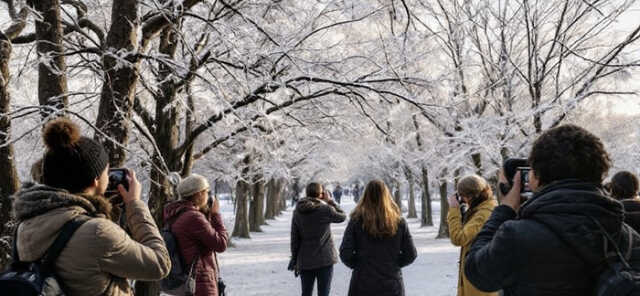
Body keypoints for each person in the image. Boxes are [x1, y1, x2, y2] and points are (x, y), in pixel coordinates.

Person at [464, 124, 640, 295]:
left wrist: (505, 209)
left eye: (531, 171)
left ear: (538, 177)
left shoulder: (517, 236)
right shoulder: (628, 236)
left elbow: (476, 271)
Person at [12, 118, 170, 295]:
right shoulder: (97, 231)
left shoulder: (25, 225)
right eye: (106, 171)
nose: (109, 177)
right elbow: (159, 264)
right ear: (95, 179)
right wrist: (135, 205)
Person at [340, 180, 417, 296]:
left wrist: (360, 264)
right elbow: (411, 254)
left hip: (362, 283)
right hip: (391, 284)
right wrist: (393, 264)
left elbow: (345, 253)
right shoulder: (399, 222)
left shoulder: (356, 221)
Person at [163, 174, 229, 296]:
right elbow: (221, 244)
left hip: (187, 281)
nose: (208, 195)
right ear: (198, 193)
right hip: (200, 282)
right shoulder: (194, 218)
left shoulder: (176, 214)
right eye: (206, 191)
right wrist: (215, 215)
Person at [290, 182, 346, 296]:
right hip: (325, 259)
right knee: (324, 293)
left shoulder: (298, 212)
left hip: (305, 259)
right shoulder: (325, 210)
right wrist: (330, 201)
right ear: (321, 195)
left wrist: (295, 259)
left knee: (306, 292)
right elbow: (342, 216)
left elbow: (294, 238)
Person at [447, 175, 498, 296]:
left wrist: (454, 210)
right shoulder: (481, 210)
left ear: (471, 196)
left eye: (463, 196)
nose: (462, 200)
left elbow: (458, 238)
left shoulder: (484, 214)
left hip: (480, 281)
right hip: (477, 277)